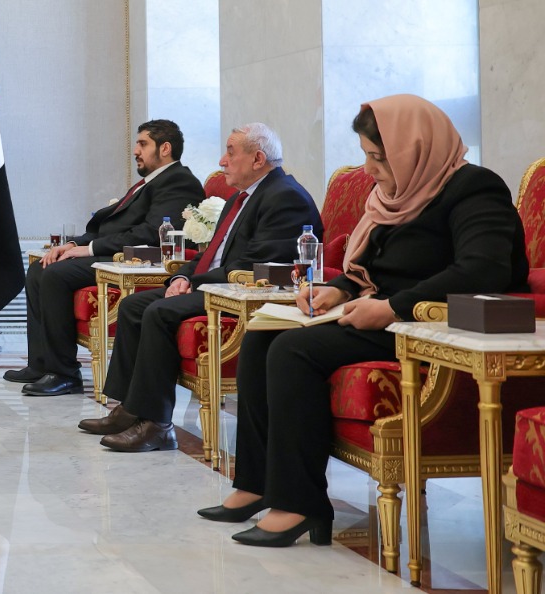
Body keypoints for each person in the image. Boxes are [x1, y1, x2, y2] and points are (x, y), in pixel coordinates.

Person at [199, 95, 527, 547]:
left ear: (414, 150)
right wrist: (339, 290)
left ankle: (300, 503)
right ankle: (256, 483)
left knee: (294, 351)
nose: (369, 170)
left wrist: (393, 307)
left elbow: (482, 269)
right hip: (382, 314)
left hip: (428, 326)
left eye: (378, 157)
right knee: (262, 335)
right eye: (366, 155)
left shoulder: (474, 188)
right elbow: (370, 268)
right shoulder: (394, 195)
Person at [81, 122, 321, 452]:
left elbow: (254, 265)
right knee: (134, 304)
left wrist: (193, 283)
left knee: (159, 312)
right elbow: (211, 254)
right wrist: (182, 277)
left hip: (241, 294)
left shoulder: (285, 198)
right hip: (215, 284)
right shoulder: (242, 197)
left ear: (258, 159)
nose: (222, 161)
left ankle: (157, 425)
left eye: (230, 152)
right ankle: (130, 409)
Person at [8, 119, 205, 396]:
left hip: (140, 260)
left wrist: (90, 249)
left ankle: (64, 373)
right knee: (41, 267)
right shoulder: (150, 182)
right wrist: (74, 244)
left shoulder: (179, 181)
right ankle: (41, 364)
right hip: (116, 253)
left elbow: (151, 232)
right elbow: (111, 227)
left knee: (55, 274)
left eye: (143, 144)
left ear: (165, 148)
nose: (135, 150)